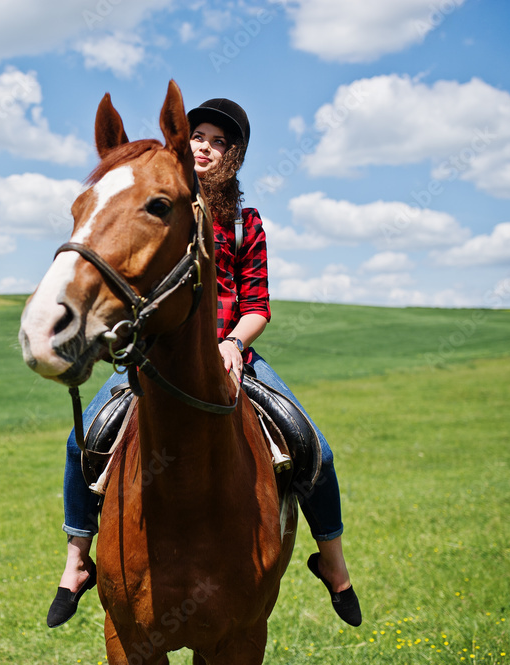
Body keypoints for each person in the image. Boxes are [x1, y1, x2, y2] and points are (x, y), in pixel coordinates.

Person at [45, 98, 362, 629]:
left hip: (235, 354)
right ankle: (78, 559)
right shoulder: (162, 206)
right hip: (161, 357)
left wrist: (234, 343)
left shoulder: (245, 223)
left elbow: (258, 306)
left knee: (314, 447)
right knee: (85, 440)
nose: (206, 147)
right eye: (198, 137)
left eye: (219, 142)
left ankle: (333, 563)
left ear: (233, 156)